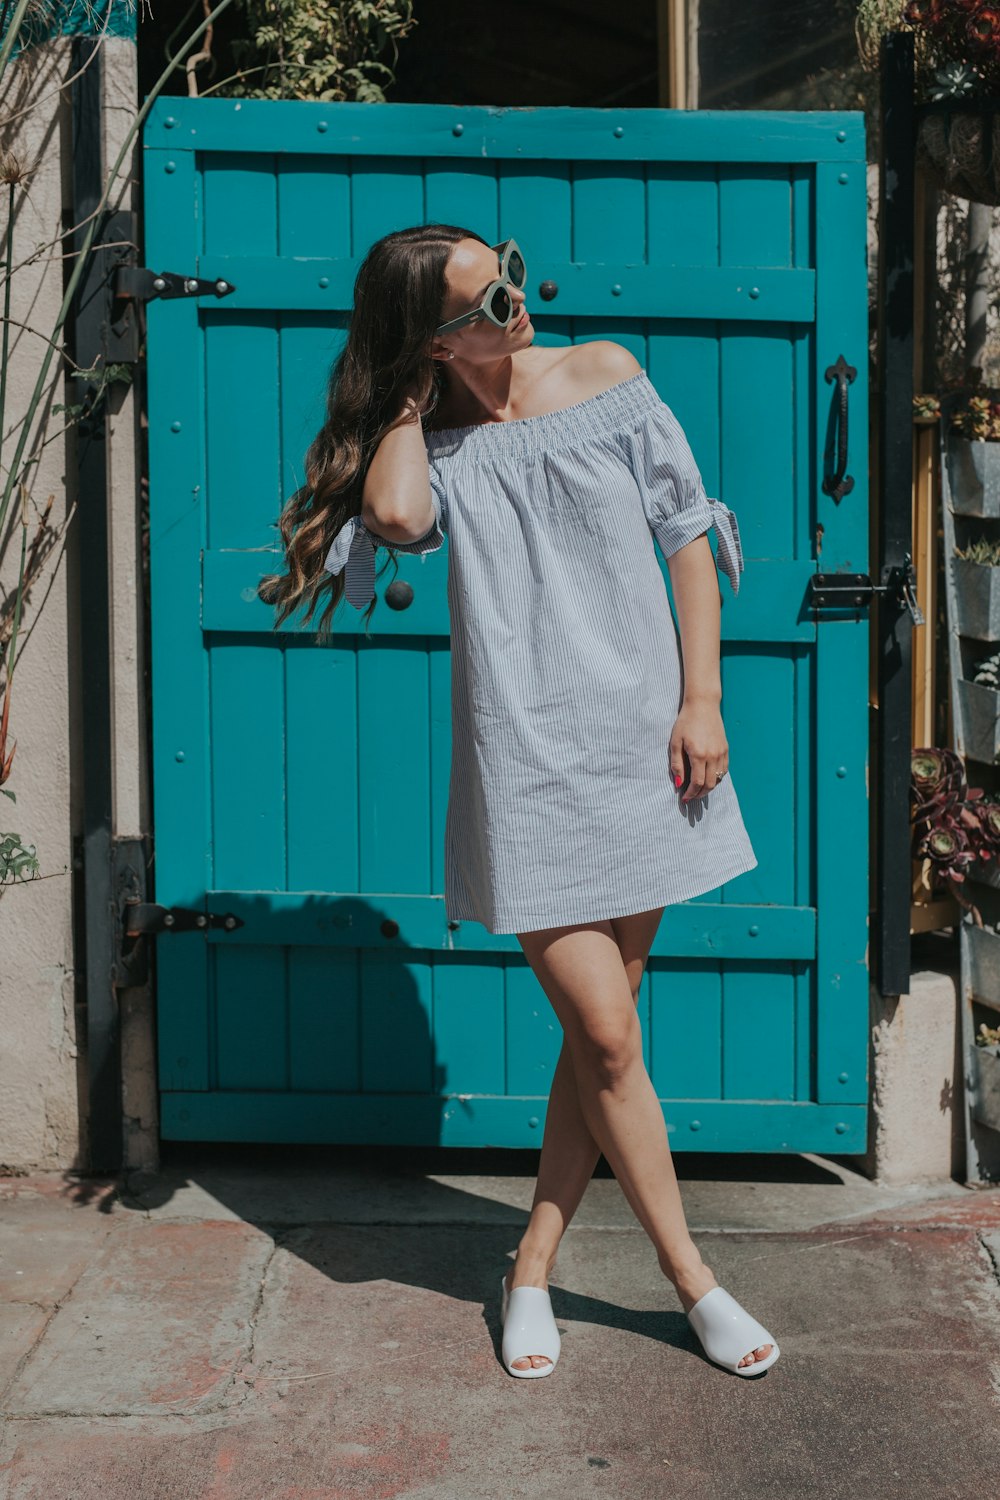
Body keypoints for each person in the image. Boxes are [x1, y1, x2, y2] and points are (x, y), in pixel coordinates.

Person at [260, 224, 779, 1381]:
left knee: (604, 1046)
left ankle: (530, 1269)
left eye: (509, 279)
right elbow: (395, 522)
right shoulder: (431, 441)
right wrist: (404, 389)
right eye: (481, 305)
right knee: (603, 1033)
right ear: (431, 342)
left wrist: (703, 699)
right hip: (529, 763)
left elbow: (688, 538)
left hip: (645, 744)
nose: (515, 305)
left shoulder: (606, 374)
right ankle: (692, 1283)